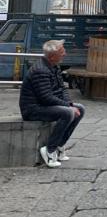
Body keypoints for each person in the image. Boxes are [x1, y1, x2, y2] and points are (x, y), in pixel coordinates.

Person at [19, 40, 85, 168]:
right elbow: (46, 98)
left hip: (44, 105)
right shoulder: (40, 70)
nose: (65, 54)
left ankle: (59, 145)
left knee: (80, 109)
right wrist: (68, 107)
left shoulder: (54, 66)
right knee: (67, 113)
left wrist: (69, 104)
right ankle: (49, 150)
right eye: (62, 52)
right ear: (52, 56)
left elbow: (62, 89)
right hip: (33, 109)